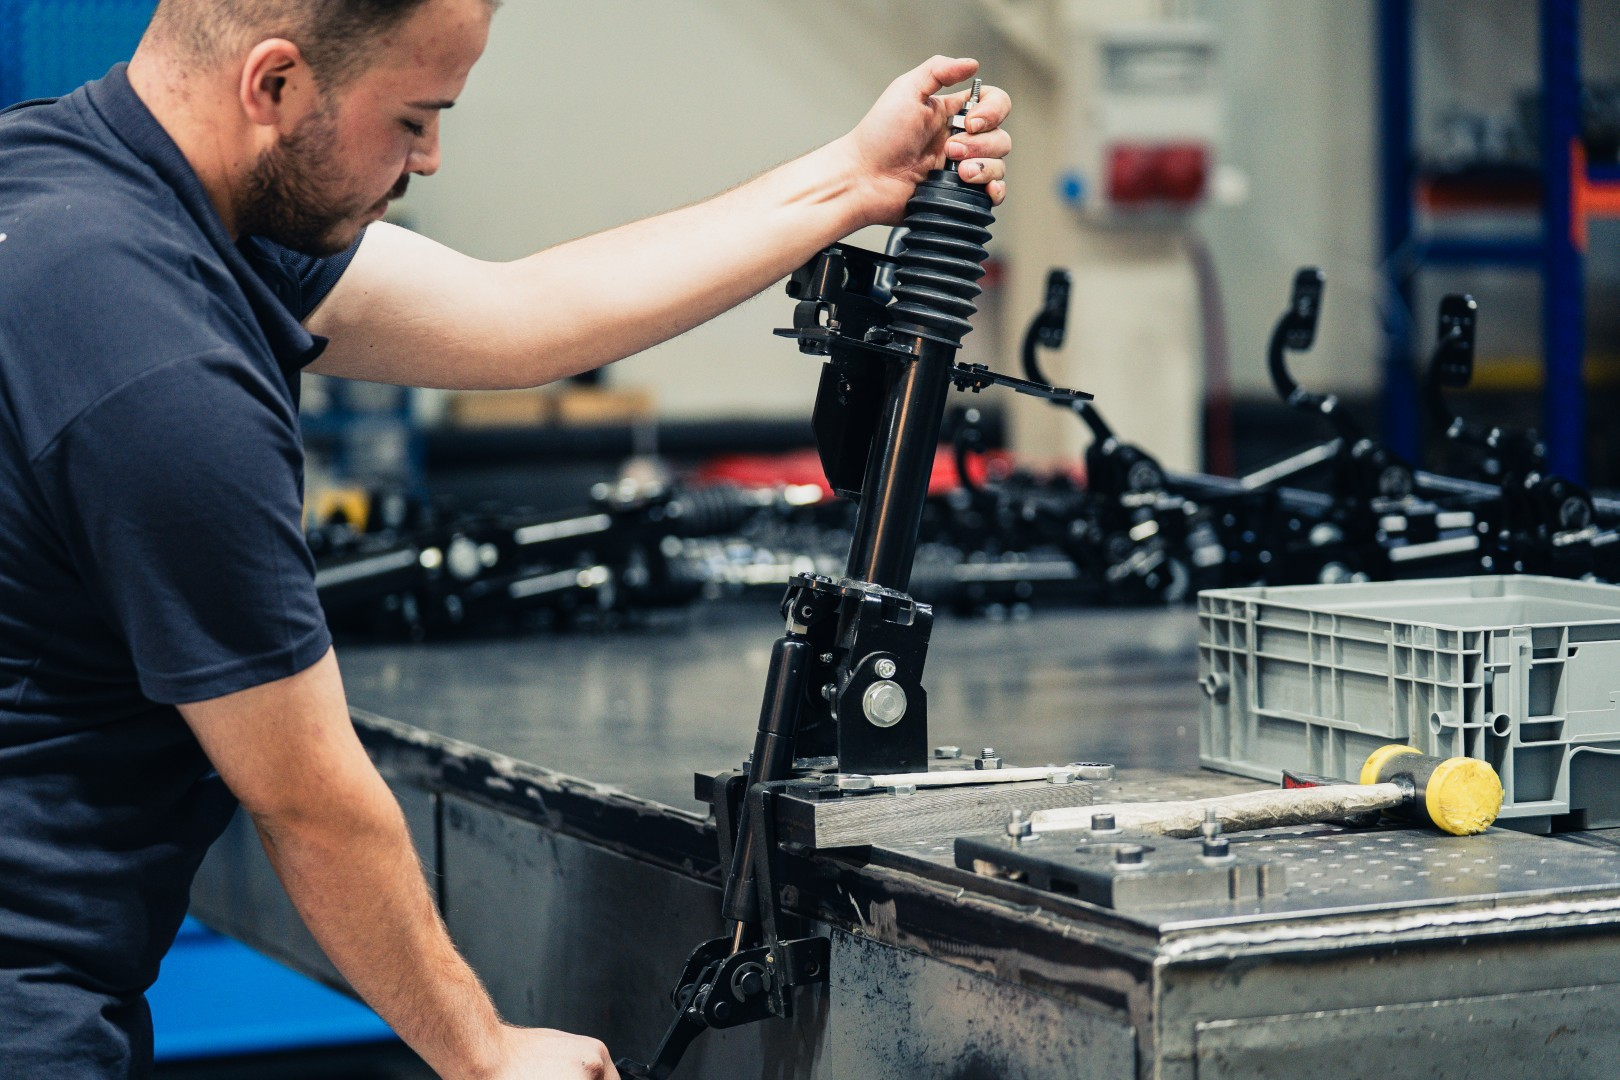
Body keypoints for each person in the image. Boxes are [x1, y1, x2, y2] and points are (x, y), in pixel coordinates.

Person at [0, 0, 1011, 1077]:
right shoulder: (165, 369)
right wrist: (481, 1050)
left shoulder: (67, 178)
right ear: (276, 84)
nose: (431, 157)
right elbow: (308, 797)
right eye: (414, 117)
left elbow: (516, 314)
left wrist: (851, 178)